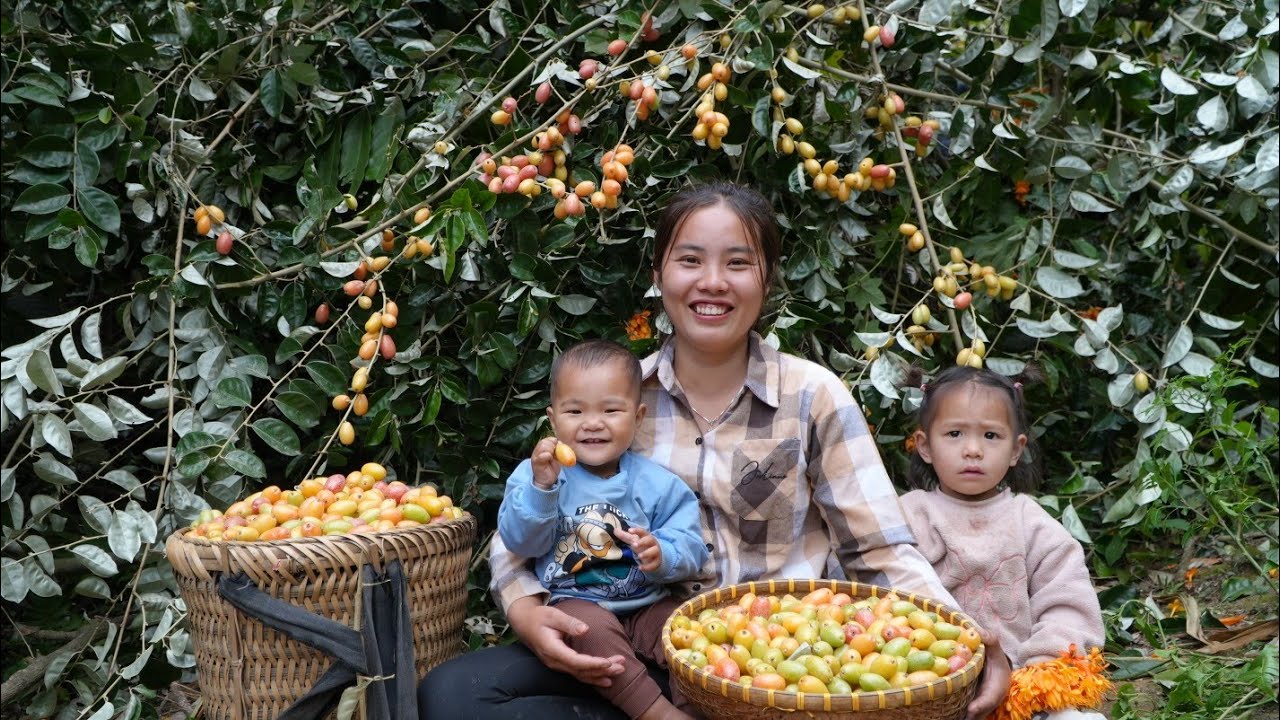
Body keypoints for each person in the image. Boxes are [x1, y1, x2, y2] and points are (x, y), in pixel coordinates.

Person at [418, 182, 1010, 720]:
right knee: (455, 694)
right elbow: (530, 518)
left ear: (768, 278)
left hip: (775, 665)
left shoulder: (812, 396)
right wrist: (523, 607)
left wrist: (972, 641)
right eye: (690, 260)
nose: (712, 283)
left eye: (738, 263)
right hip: (639, 647)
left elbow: (879, 548)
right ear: (660, 273)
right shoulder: (614, 402)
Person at [496, 339, 707, 720]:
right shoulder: (537, 476)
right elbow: (520, 542)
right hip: (577, 601)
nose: (593, 423)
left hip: (648, 601)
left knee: (689, 631)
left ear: (638, 417)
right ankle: (655, 712)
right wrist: (543, 490)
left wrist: (663, 554)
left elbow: (692, 546)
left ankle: (698, 710)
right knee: (587, 631)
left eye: (611, 410)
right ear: (553, 419)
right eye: (575, 411)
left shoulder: (659, 484)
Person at [898, 365, 1109, 720]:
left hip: (1019, 692)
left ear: (1016, 449)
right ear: (924, 445)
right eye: (954, 433)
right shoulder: (908, 516)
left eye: (991, 437)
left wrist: (1038, 669)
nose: (973, 450)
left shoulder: (1032, 523)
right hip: (926, 688)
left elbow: (1067, 602)